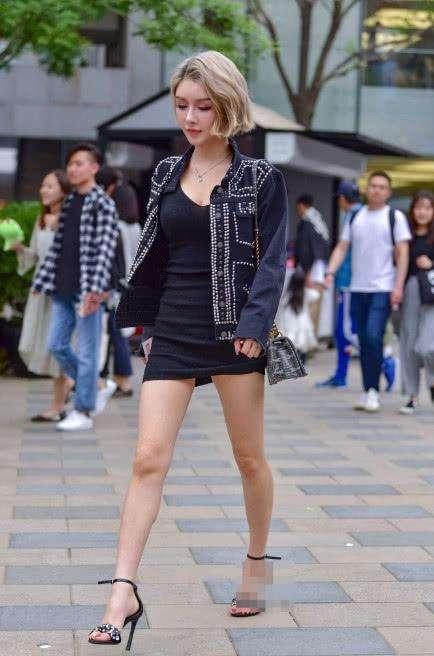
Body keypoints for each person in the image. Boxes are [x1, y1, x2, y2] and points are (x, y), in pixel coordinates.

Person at [88, 50, 288, 648]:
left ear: (228, 106)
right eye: (182, 106)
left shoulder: (261, 179)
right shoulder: (164, 174)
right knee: (148, 458)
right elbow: (156, 252)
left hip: (235, 334)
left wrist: (256, 322)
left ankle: (257, 565)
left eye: (204, 106)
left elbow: (273, 261)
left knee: (248, 458)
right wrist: (146, 324)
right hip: (173, 331)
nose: (191, 117)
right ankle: (122, 591)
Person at [31, 143, 119, 431]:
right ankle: (97, 384)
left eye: (79, 163)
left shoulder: (102, 203)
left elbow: (105, 251)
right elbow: (58, 248)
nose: (72, 168)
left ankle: (83, 411)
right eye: (70, 164)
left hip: (87, 290)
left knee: (88, 350)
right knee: (56, 345)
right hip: (62, 287)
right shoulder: (69, 202)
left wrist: (95, 291)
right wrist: (41, 281)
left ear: (94, 168)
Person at [325, 170, 411, 412]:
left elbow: (403, 253)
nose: (377, 190)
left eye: (382, 187)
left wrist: (398, 286)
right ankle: (367, 390)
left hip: (383, 288)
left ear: (389, 192)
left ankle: (373, 390)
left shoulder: (395, 217)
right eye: (373, 186)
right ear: (366, 189)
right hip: (357, 288)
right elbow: (342, 247)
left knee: (373, 335)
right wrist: (330, 272)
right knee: (363, 339)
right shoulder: (355, 216)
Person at [10, 170, 72, 421]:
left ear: (64, 190)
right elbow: (36, 255)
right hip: (41, 292)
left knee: (59, 345)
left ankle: (67, 397)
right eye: (43, 186)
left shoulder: (69, 218)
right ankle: (62, 400)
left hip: (61, 294)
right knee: (48, 345)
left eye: (49, 186)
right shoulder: (42, 219)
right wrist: (19, 249)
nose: (43, 190)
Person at [96, 165, 140, 397]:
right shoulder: (135, 226)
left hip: (116, 285)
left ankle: (122, 381)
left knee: (115, 333)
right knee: (117, 333)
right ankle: (117, 380)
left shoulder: (116, 226)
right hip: (129, 284)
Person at [316, 181, 361, 388]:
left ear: (342, 198)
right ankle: (340, 375)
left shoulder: (355, 216)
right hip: (352, 282)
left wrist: (331, 272)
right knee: (343, 333)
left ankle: (385, 360)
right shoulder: (357, 215)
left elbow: (343, 248)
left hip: (351, 283)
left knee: (346, 332)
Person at [399, 190, 434, 414]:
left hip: (432, 292)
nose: (422, 212)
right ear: (412, 210)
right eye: (419, 207)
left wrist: (431, 264)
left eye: (427, 207)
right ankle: (412, 395)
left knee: (427, 346)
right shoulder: (406, 236)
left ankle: (432, 381)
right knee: (409, 345)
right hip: (411, 289)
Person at [295, 194, 329, 335]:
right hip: (318, 271)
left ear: (301, 205)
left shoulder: (308, 223)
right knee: (313, 308)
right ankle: (310, 340)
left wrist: (308, 272)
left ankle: (307, 343)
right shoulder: (318, 221)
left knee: (309, 309)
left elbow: (310, 250)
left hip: (312, 273)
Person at [276, 266, 319, 363]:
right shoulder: (306, 293)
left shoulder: (287, 295)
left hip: (289, 324)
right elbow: (316, 295)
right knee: (302, 343)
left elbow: (281, 305)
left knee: (291, 342)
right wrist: (310, 284)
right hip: (302, 323)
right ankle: (302, 361)